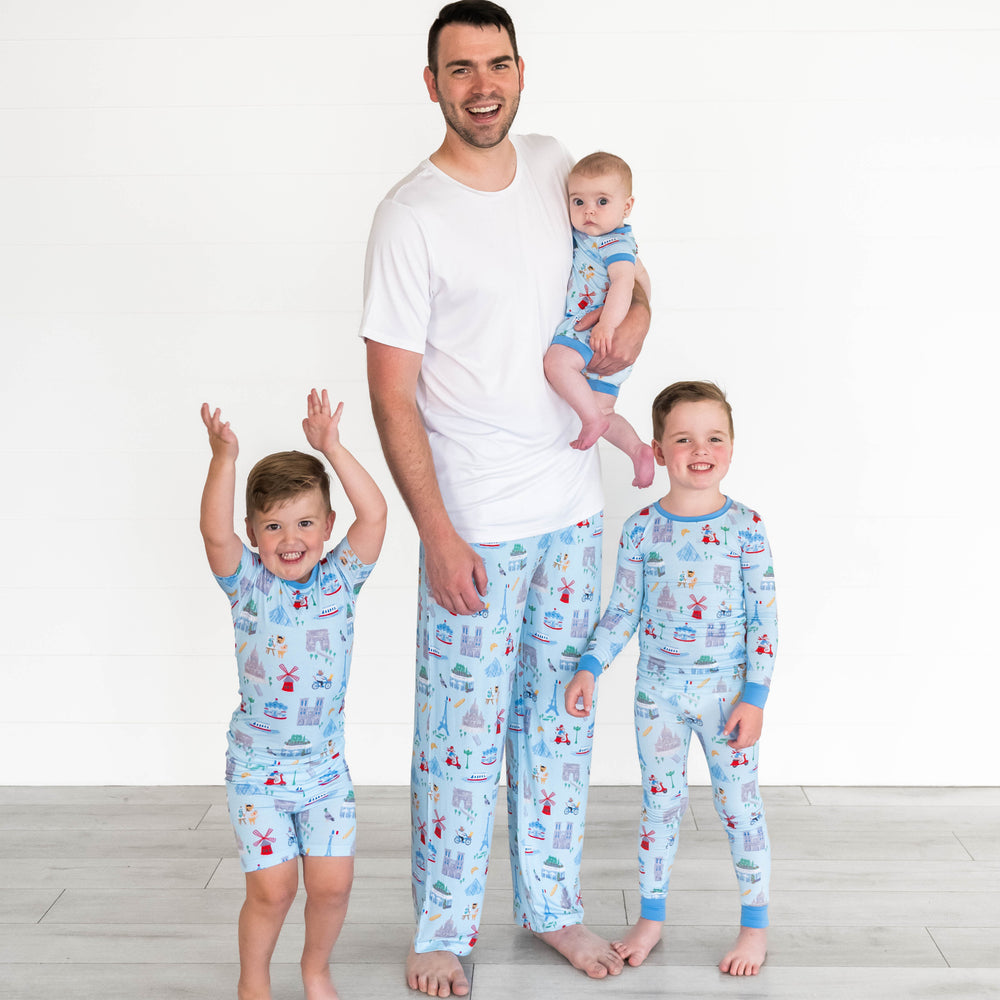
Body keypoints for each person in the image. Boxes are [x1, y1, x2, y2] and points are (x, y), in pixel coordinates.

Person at [359, 2, 649, 995]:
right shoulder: (410, 215)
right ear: (431, 83)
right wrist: (435, 529)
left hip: (572, 507)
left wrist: (637, 319)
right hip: (475, 520)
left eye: (497, 63)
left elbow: (626, 265)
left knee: (558, 726)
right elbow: (390, 389)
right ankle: (442, 930)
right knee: (460, 738)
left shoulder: (559, 163)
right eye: (460, 67)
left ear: (520, 71)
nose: (482, 83)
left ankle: (553, 907)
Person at [565, 380, 776, 977]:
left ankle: (754, 926)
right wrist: (589, 666)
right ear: (658, 451)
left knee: (740, 806)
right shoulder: (641, 529)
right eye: (682, 439)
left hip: (727, 698)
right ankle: (651, 918)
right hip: (657, 697)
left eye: (713, 437)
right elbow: (622, 612)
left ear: (731, 446)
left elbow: (764, 620)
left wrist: (754, 697)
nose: (699, 449)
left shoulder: (746, 527)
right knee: (660, 805)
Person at [199, 388, 387, 1000]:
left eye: (305, 522)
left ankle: (316, 968)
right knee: (273, 889)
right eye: (273, 525)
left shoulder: (340, 578)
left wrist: (331, 446)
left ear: (327, 526)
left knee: (332, 885)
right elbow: (212, 532)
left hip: (325, 769)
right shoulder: (246, 584)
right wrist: (223, 459)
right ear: (253, 532)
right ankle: (253, 976)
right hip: (258, 770)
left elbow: (377, 514)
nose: (290, 537)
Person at [543, 151, 654, 488]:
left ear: (627, 207)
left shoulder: (614, 242)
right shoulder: (593, 236)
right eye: (578, 201)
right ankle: (636, 450)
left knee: (557, 364)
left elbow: (625, 281)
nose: (588, 210)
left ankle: (590, 420)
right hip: (611, 348)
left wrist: (606, 324)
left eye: (602, 201)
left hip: (594, 335)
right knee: (608, 411)